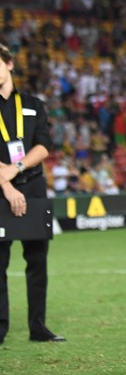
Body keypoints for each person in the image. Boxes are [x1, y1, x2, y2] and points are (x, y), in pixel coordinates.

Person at [0, 44, 65, 344]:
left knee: (37, 261)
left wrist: (17, 168)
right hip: (1, 191)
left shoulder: (33, 104)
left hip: (34, 188)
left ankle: (38, 328)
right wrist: (7, 184)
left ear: (10, 64)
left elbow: (44, 144)